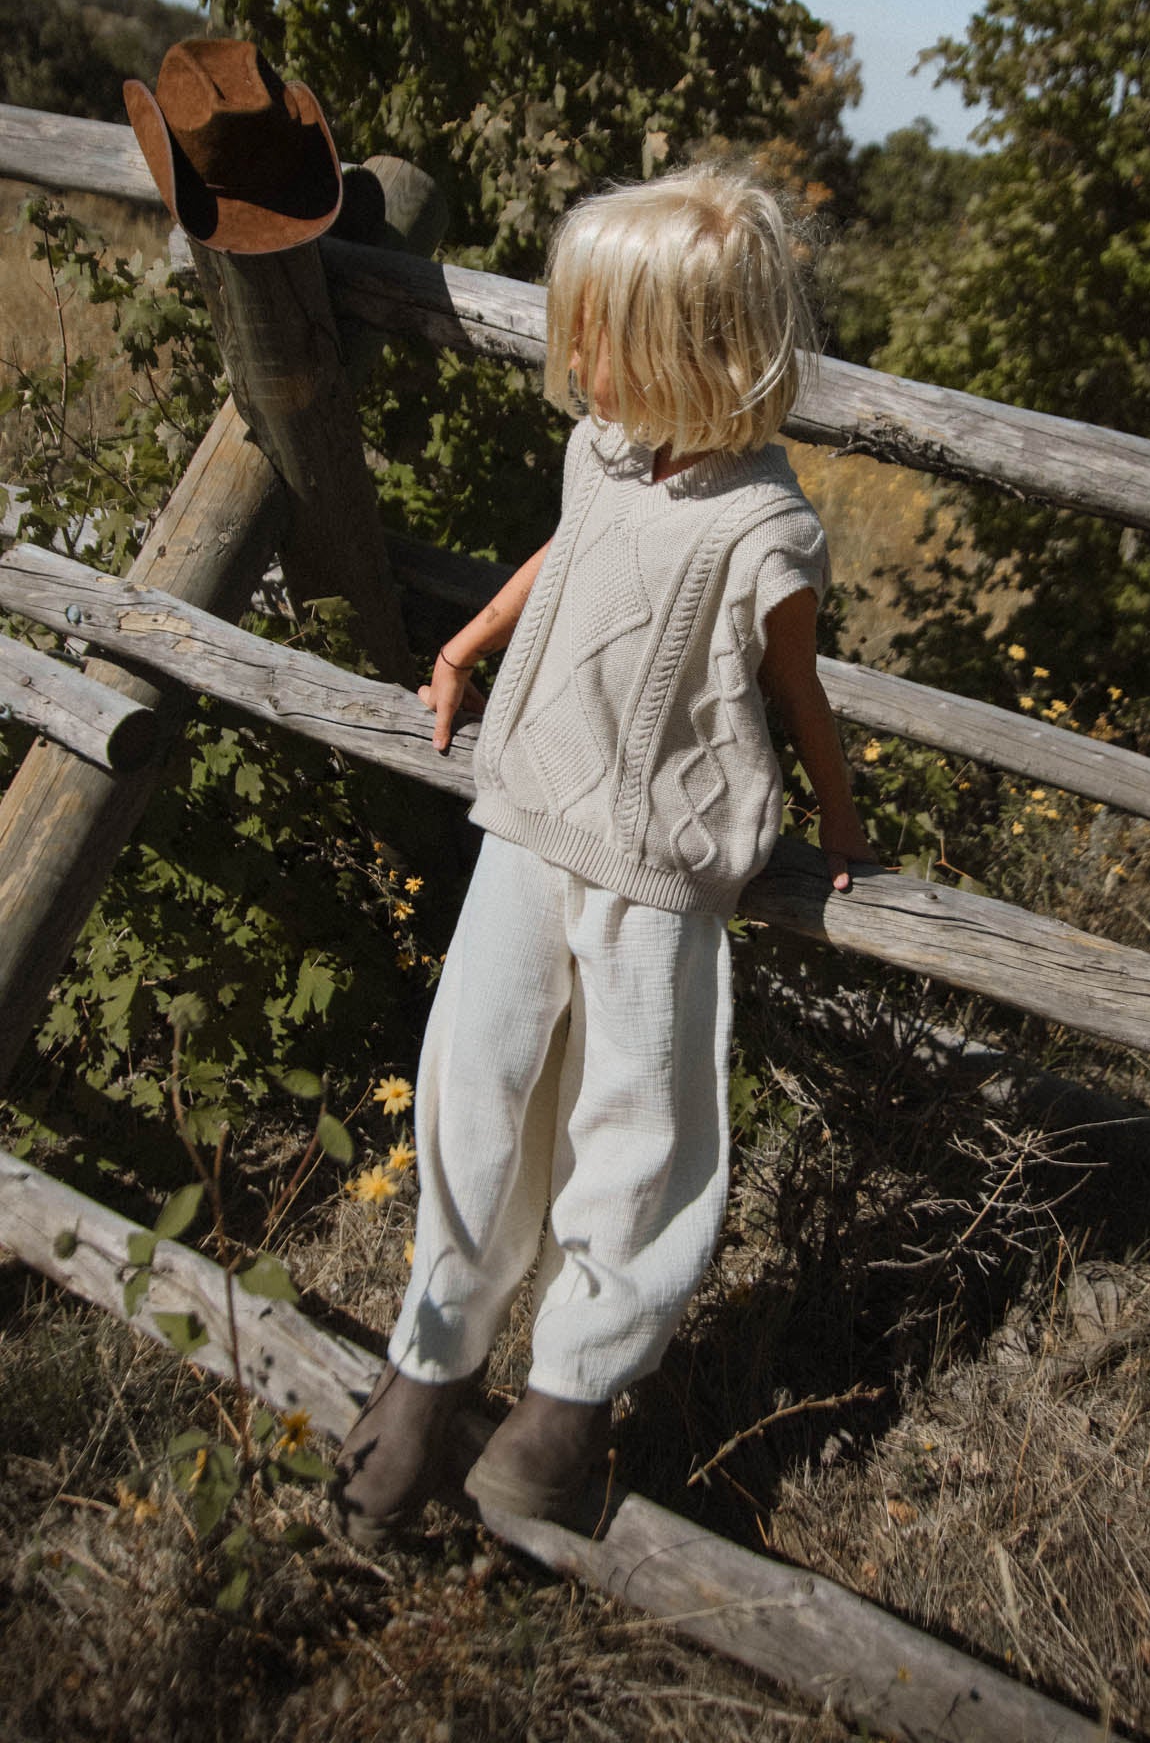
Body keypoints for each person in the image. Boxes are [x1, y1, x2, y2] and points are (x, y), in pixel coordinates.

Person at [332, 165, 877, 1545]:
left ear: (695, 352)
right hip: (527, 823)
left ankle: (561, 1409)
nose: (572, 359)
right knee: (477, 1085)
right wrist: (464, 646)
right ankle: (427, 1375)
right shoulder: (602, 452)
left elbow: (800, 693)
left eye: (598, 335)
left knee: (637, 1130)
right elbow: (564, 556)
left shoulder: (768, 530)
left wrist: (839, 817)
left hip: (661, 877)